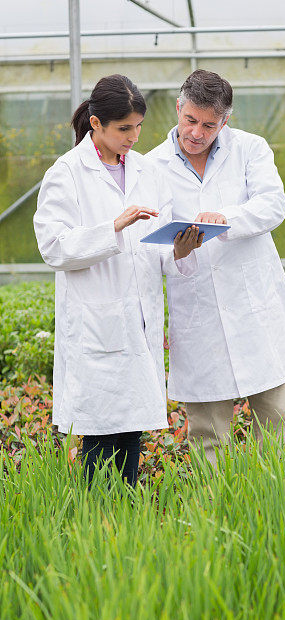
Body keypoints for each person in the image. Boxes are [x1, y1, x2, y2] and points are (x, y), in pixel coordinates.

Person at [33, 74, 203, 486]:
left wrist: (179, 249)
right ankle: (97, 518)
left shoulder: (147, 170)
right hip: (97, 319)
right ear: (96, 124)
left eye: (139, 126)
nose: (134, 136)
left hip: (139, 318)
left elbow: (154, 248)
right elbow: (54, 246)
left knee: (131, 428)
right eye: (124, 128)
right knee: (100, 430)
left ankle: (123, 514)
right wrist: (113, 227)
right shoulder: (68, 172)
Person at [146, 69, 285, 465]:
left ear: (226, 121)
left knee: (279, 423)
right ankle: (214, 511)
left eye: (209, 125)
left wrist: (225, 219)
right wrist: (178, 252)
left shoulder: (250, 149)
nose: (197, 132)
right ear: (178, 107)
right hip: (198, 313)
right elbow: (151, 241)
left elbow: (273, 204)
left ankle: (282, 505)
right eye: (190, 120)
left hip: (256, 308)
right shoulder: (151, 166)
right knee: (207, 434)